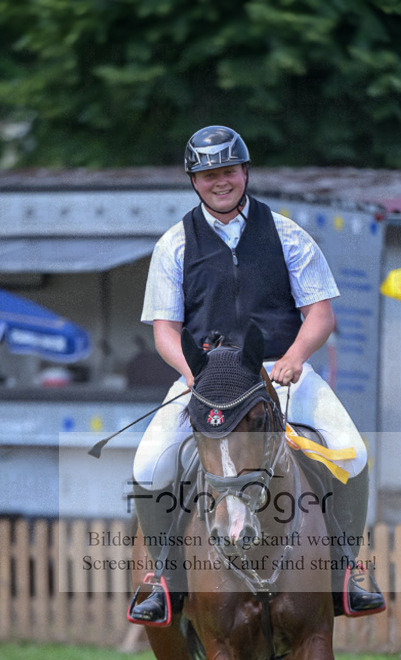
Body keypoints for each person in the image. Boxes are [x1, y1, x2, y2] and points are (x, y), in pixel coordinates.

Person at [129, 124, 385, 624]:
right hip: (203, 376)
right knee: (147, 465)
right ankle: (160, 578)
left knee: (352, 453)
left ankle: (347, 571)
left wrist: (295, 356)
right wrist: (192, 373)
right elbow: (165, 330)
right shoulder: (173, 244)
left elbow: (321, 315)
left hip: (279, 371)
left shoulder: (289, 234)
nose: (219, 181)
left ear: (245, 172)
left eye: (228, 170)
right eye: (207, 175)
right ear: (193, 181)